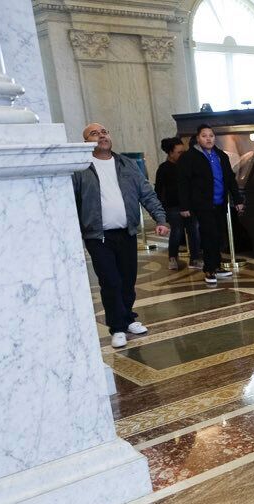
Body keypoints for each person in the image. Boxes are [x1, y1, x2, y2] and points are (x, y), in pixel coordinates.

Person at [72, 122, 169, 349]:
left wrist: (160, 218)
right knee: (110, 282)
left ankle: (127, 319)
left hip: (126, 233)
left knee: (127, 281)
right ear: (86, 142)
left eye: (104, 131)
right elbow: (72, 203)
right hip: (98, 236)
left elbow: (146, 193)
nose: (101, 136)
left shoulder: (127, 164)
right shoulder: (80, 168)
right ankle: (116, 327)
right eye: (94, 134)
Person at [176, 124, 245, 285]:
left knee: (219, 235)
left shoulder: (221, 155)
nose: (208, 138)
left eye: (211, 136)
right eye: (204, 136)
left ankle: (217, 265)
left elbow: (230, 179)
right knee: (209, 235)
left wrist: (238, 200)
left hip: (220, 202)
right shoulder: (189, 157)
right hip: (202, 203)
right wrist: (184, 206)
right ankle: (209, 268)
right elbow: (183, 183)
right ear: (198, 138)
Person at [155, 136, 200, 270]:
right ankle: (172, 257)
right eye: (179, 152)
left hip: (189, 204)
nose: (182, 155)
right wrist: (161, 211)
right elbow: (158, 190)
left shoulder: (186, 166)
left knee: (194, 230)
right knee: (177, 230)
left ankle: (195, 258)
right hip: (173, 206)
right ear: (170, 153)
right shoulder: (163, 168)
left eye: (183, 152)